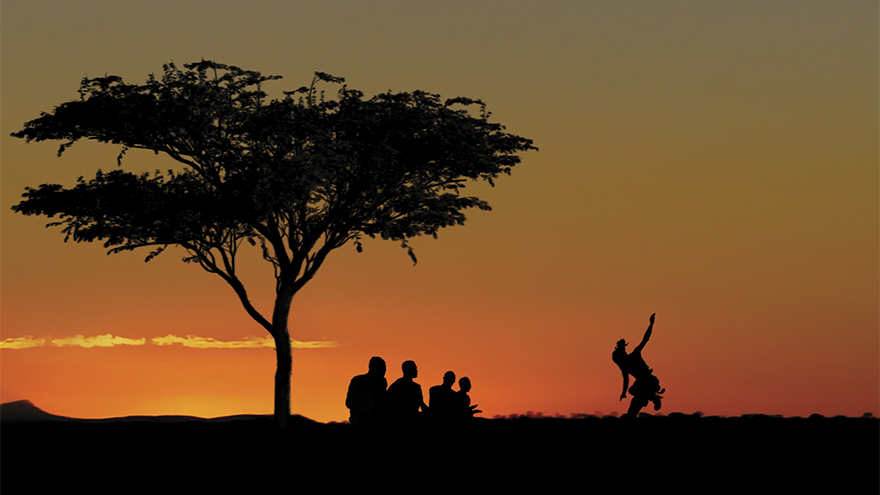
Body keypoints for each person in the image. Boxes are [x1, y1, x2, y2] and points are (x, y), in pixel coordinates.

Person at [612, 313, 665, 417]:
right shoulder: (624, 367)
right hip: (642, 384)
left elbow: (645, 339)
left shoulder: (634, 355)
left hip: (649, 381)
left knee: (634, 399)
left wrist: (651, 324)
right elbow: (626, 380)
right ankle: (652, 397)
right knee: (632, 408)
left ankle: (653, 397)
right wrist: (623, 393)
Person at [345, 356, 388, 425]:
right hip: (364, 420)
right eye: (383, 370)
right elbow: (350, 402)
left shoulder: (357, 380)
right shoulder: (379, 382)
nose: (384, 373)